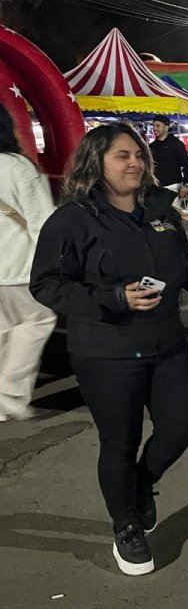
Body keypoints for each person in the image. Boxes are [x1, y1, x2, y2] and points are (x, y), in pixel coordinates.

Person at [30, 123, 188, 576]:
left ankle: (140, 488)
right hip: (106, 351)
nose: (135, 163)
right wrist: (113, 298)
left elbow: (184, 257)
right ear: (96, 162)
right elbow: (46, 284)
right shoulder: (71, 219)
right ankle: (126, 525)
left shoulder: (160, 206)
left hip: (166, 343)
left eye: (139, 155)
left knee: (180, 428)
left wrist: (187, 270)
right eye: (123, 156)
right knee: (119, 444)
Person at [0, 105, 56, 420]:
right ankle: (9, 397)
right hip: (20, 266)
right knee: (36, 322)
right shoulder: (18, 168)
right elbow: (42, 222)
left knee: (4, 328)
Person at [149, 115, 188, 209]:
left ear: (166, 127)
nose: (154, 129)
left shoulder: (177, 144)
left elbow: (186, 165)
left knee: (173, 217)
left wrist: (186, 184)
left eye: (158, 126)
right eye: (154, 126)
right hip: (156, 189)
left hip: (173, 187)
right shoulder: (152, 146)